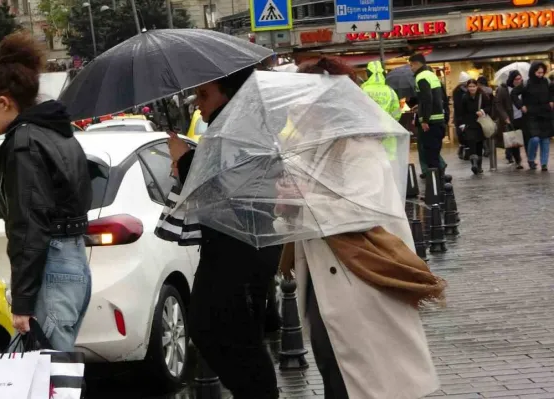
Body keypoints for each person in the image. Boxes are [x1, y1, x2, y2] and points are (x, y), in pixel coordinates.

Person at [277, 56, 440, 399]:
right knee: (336, 374)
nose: (295, 106)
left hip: (363, 280)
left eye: (302, 96)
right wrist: (285, 207)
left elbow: (362, 209)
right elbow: (295, 220)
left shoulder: (359, 145)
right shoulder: (306, 148)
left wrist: (303, 202)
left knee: (370, 383)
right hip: (322, 285)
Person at [0, 32, 93, 351]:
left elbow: (29, 225)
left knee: (47, 376)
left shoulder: (24, 144)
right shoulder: (58, 134)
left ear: (4, 102)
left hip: (50, 269)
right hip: (72, 261)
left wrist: (23, 302)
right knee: (53, 374)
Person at [167, 67, 280, 399]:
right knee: (225, 333)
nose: (197, 104)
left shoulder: (236, 131)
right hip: (228, 248)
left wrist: (185, 162)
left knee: (223, 333)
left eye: (204, 95)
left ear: (228, 95)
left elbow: (226, 190)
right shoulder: (229, 128)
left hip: (240, 251)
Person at [409, 54, 447, 178]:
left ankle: (436, 189)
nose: (411, 68)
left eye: (411, 65)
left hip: (430, 123)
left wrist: (424, 120)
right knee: (434, 155)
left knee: (430, 156)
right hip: (438, 120)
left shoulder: (421, 77)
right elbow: (439, 98)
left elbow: (427, 99)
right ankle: (440, 185)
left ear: (416, 63)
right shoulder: (431, 75)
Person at [511, 62, 554, 171]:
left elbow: (552, 93)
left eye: (542, 72)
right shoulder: (526, 83)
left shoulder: (547, 82)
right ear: (533, 71)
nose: (540, 74)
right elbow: (514, 93)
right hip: (531, 116)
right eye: (538, 72)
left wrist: (551, 101)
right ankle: (531, 159)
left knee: (545, 140)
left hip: (545, 114)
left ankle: (544, 164)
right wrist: (521, 106)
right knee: (534, 139)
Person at [458, 79, 493, 175]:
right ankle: (474, 164)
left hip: (480, 124)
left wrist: (482, 111)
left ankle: (479, 166)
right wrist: (462, 124)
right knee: (471, 142)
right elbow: (462, 112)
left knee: (479, 145)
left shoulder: (483, 96)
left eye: (473, 86)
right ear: (467, 87)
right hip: (469, 124)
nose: (472, 88)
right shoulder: (465, 97)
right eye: (470, 86)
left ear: (477, 86)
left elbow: (489, 107)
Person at [495, 70, 525, 169]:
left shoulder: (523, 87)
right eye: (516, 79)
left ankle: (523, 159)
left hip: (522, 117)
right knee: (514, 140)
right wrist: (505, 117)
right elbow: (498, 104)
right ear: (512, 79)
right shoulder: (503, 89)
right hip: (510, 118)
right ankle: (518, 160)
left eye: (520, 78)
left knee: (523, 139)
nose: (518, 81)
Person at [453, 72, 471, 160]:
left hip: (461, 117)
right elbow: (459, 106)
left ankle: (464, 150)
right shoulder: (460, 92)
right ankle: (465, 151)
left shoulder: (457, 91)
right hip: (461, 117)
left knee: (463, 134)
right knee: (464, 134)